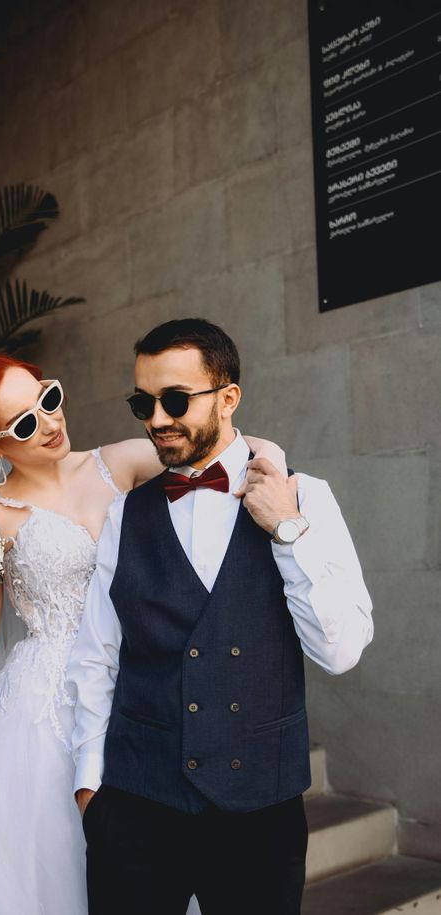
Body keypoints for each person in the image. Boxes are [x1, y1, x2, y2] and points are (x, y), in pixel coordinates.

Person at [0, 350, 285, 915]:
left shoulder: (120, 463)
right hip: (42, 712)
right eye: (24, 423)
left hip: (142, 681)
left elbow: (238, 451)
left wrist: (280, 490)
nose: (49, 423)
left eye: (48, 399)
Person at [68, 318, 374, 915]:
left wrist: (287, 529)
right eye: (143, 402)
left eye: (175, 400)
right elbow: (96, 654)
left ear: (228, 397)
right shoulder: (126, 515)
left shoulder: (305, 496)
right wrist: (90, 788)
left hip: (260, 809)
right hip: (136, 803)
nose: (156, 419)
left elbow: (341, 650)